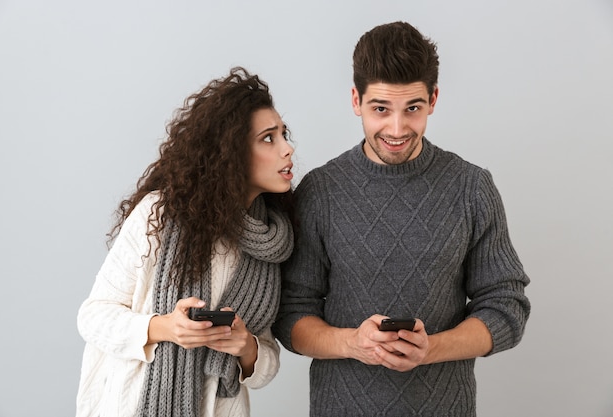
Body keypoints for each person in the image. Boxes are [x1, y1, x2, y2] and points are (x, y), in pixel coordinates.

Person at [273, 21, 531, 416]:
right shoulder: (321, 190)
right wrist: (353, 344)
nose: (396, 129)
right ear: (356, 100)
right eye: (380, 109)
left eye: (413, 108)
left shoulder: (471, 187)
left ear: (434, 99)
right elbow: (291, 312)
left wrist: (430, 350)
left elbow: (506, 307)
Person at [76, 67, 295, 417]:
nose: (287, 149)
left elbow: (265, 362)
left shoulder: (273, 240)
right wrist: (165, 327)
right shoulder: (160, 215)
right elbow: (92, 317)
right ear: (232, 151)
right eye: (269, 138)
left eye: (285, 135)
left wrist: (246, 347)